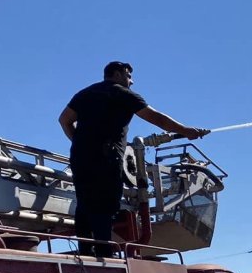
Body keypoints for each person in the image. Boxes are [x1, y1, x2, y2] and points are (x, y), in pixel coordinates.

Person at [58, 61, 209, 257]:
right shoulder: (123, 94)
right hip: (107, 158)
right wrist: (186, 131)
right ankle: (104, 252)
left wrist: (80, 142)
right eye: (129, 76)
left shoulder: (84, 94)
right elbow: (157, 118)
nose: (132, 81)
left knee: (85, 204)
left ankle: (86, 249)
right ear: (118, 74)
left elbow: (64, 120)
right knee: (106, 204)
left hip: (80, 157)